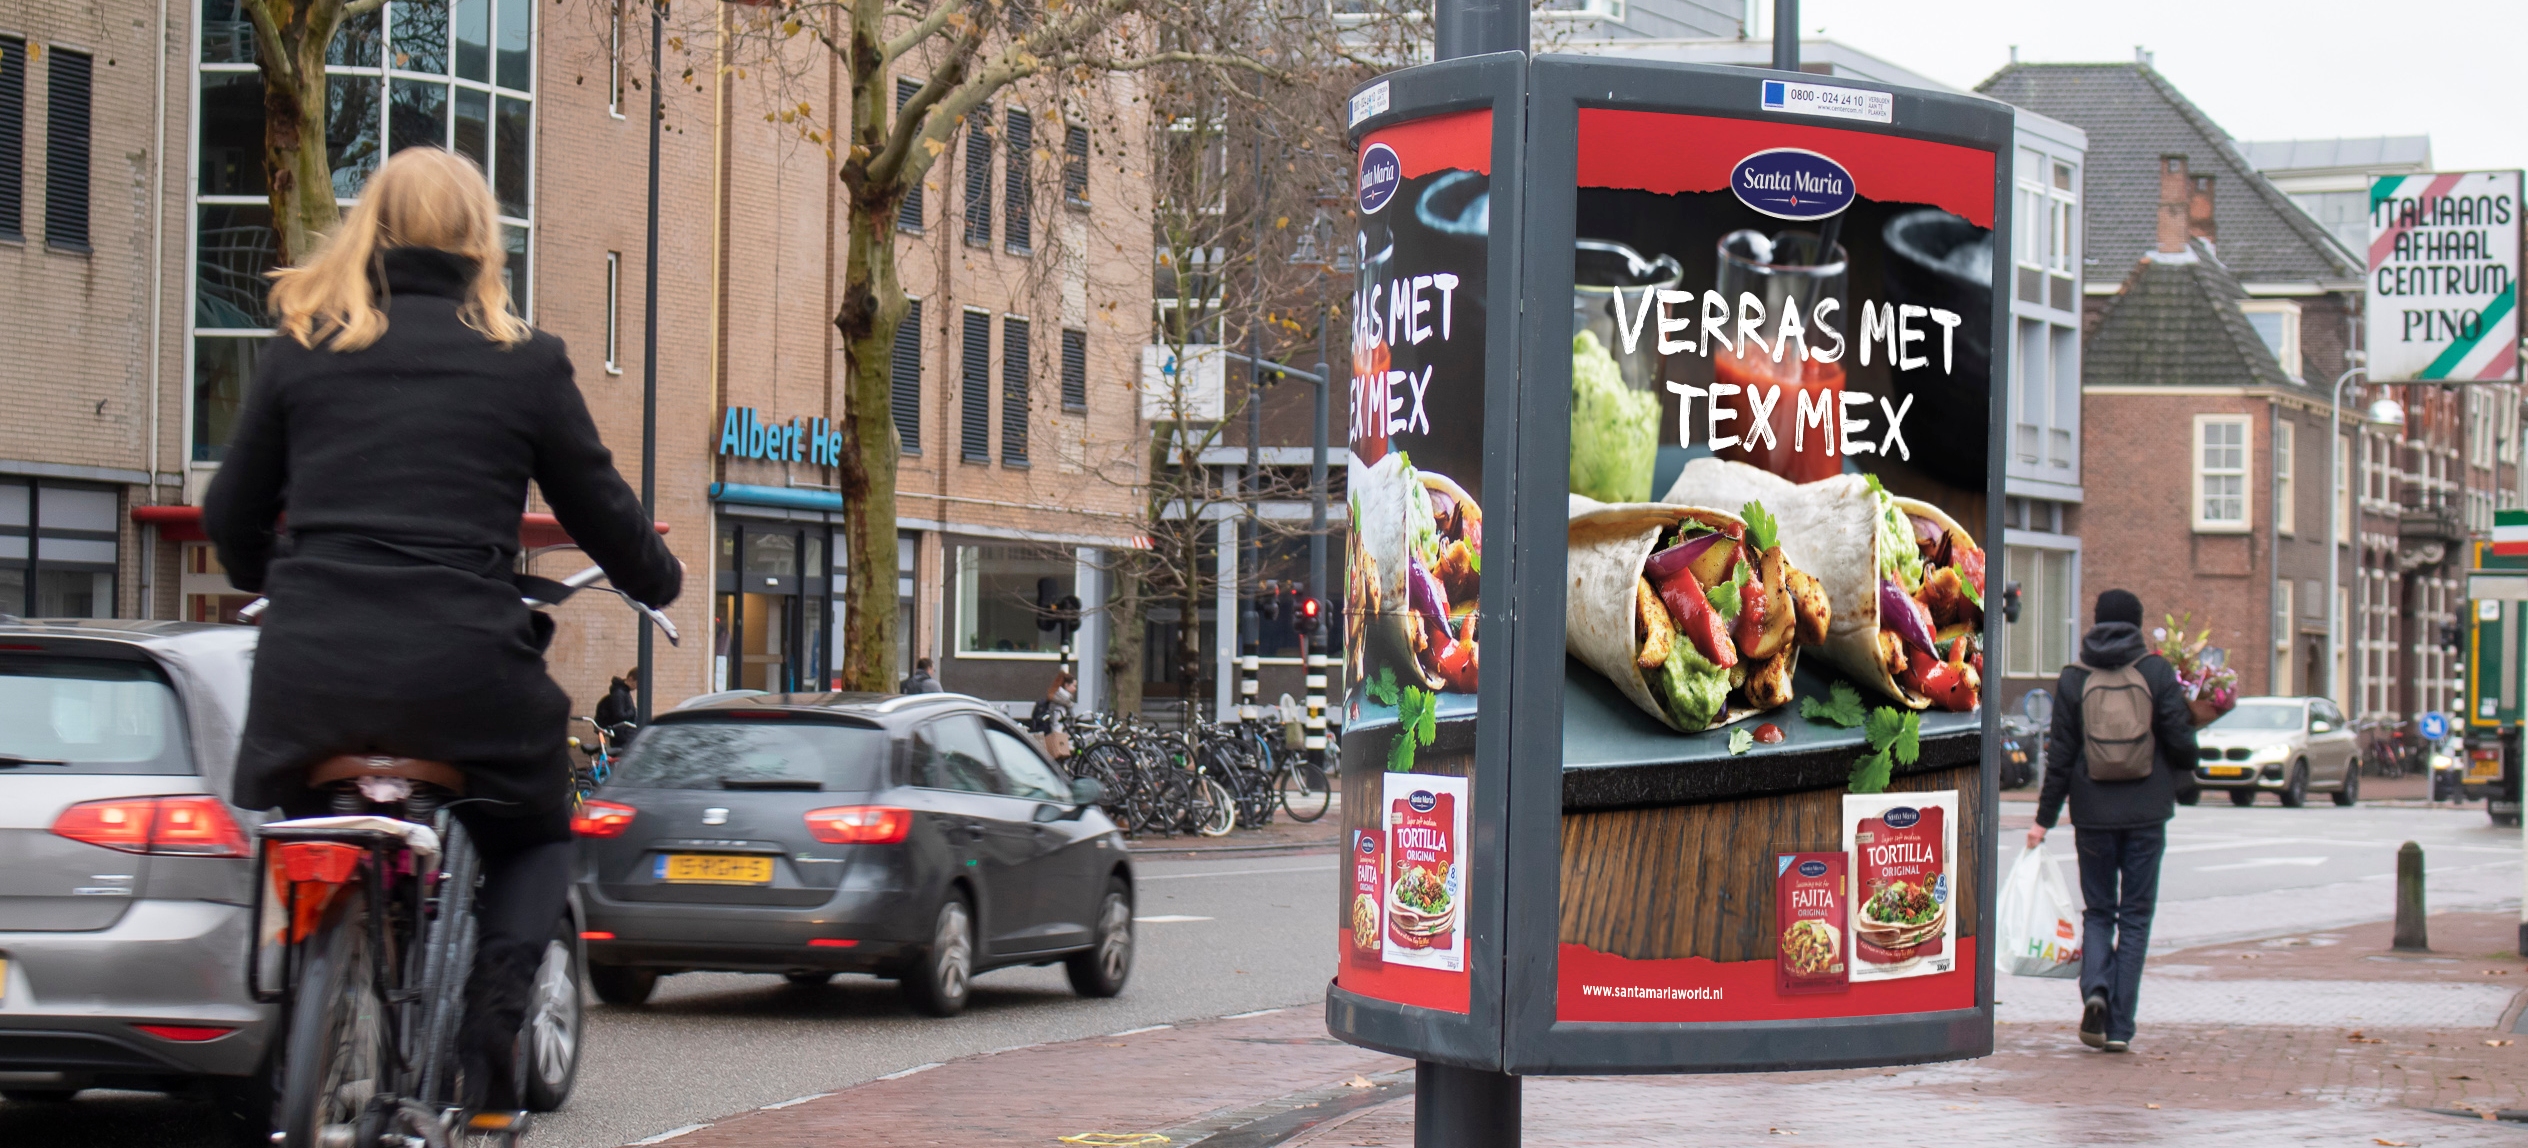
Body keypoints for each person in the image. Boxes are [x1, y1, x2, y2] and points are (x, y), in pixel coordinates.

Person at [203, 148, 680, 1114]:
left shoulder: (305, 345)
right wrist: (656, 578)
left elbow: (230, 514)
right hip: (462, 675)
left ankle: (307, 1011)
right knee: (539, 835)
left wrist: (274, 580)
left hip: (315, 673)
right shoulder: (524, 359)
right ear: (479, 243)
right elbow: (602, 509)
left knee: (305, 819)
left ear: (367, 227)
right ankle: (488, 1036)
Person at [2026, 588, 2198, 1054]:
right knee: (2136, 917)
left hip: (2093, 814)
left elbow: (2059, 757)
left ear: (2097, 623)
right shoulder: (2157, 671)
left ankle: (2095, 990)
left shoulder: (2074, 678)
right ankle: (2120, 1027)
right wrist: (2188, 757)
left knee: (2099, 912)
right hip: (2147, 813)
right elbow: (2180, 740)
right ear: (2137, 625)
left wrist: (2043, 820)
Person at [594, 667, 639, 731]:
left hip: (621, 730)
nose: (637, 687)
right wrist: (633, 712)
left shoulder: (624, 692)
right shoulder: (619, 693)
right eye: (637, 683)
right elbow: (619, 716)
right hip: (621, 732)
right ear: (630, 679)